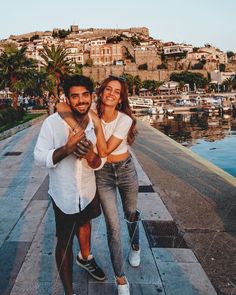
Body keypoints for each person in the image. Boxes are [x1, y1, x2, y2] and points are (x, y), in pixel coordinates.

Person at [57, 75, 140, 295]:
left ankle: (135, 246)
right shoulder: (90, 109)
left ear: (121, 98)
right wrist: (81, 124)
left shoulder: (124, 120)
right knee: (113, 226)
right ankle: (121, 279)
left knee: (131, 213)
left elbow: (104, 150)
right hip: (102, 174)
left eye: (117, 91)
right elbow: (59, 104)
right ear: (101, 93)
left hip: (125, 170)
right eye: (108, 89)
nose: (112, 93)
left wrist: (95, 122)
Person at [34, 75, 105, 295]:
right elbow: (39, 156)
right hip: (63, 195)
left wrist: (91, 155)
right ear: (68, 98)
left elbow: (100, 161)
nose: (81, 100)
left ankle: (85, 258)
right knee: (63, 242)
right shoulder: (52, 123)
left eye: (85, 95)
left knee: (85, 224)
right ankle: (69, 292)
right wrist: (67, 149)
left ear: (92, 97)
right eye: (75, 96)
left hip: (88, 190)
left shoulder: (95, 123)